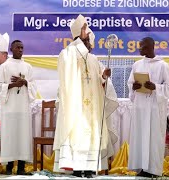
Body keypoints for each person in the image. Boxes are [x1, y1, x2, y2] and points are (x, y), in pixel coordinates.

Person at [53, 14, 119, 178]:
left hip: (91, 107)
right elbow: (65, 77)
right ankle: (76, 167)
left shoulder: (93, 58)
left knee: (91, 135)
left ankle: (89, 168)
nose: (88, 33)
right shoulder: (67, 53)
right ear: (78, 32)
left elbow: (98, 81)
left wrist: (103, 76)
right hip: (76, 105)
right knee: (77, 134)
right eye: (84, 29)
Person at [127, 37, 169, 177]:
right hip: (140, 107)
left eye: (143, 47)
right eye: (140, 47)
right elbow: (130, 83)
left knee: (153, 138)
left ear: (152, 47)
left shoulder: (163, 65)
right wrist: (133, 87)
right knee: (140, 136)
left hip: (154, 108)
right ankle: (140, 167)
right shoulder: (136, 65)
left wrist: (156, 87)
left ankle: (152, 169)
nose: (140, 49)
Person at [0, 40, 37, 175]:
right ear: (11, 49)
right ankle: (9, 167)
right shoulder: (5, 66)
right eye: (18, 47)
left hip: (23, 108)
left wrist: (25, 82)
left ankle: (21, 167)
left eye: (22, 48)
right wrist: (12, 85)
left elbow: (34, 86)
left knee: (22, 136)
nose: (20, 50)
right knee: (10, 136)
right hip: (9, 108)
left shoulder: (28, 67)